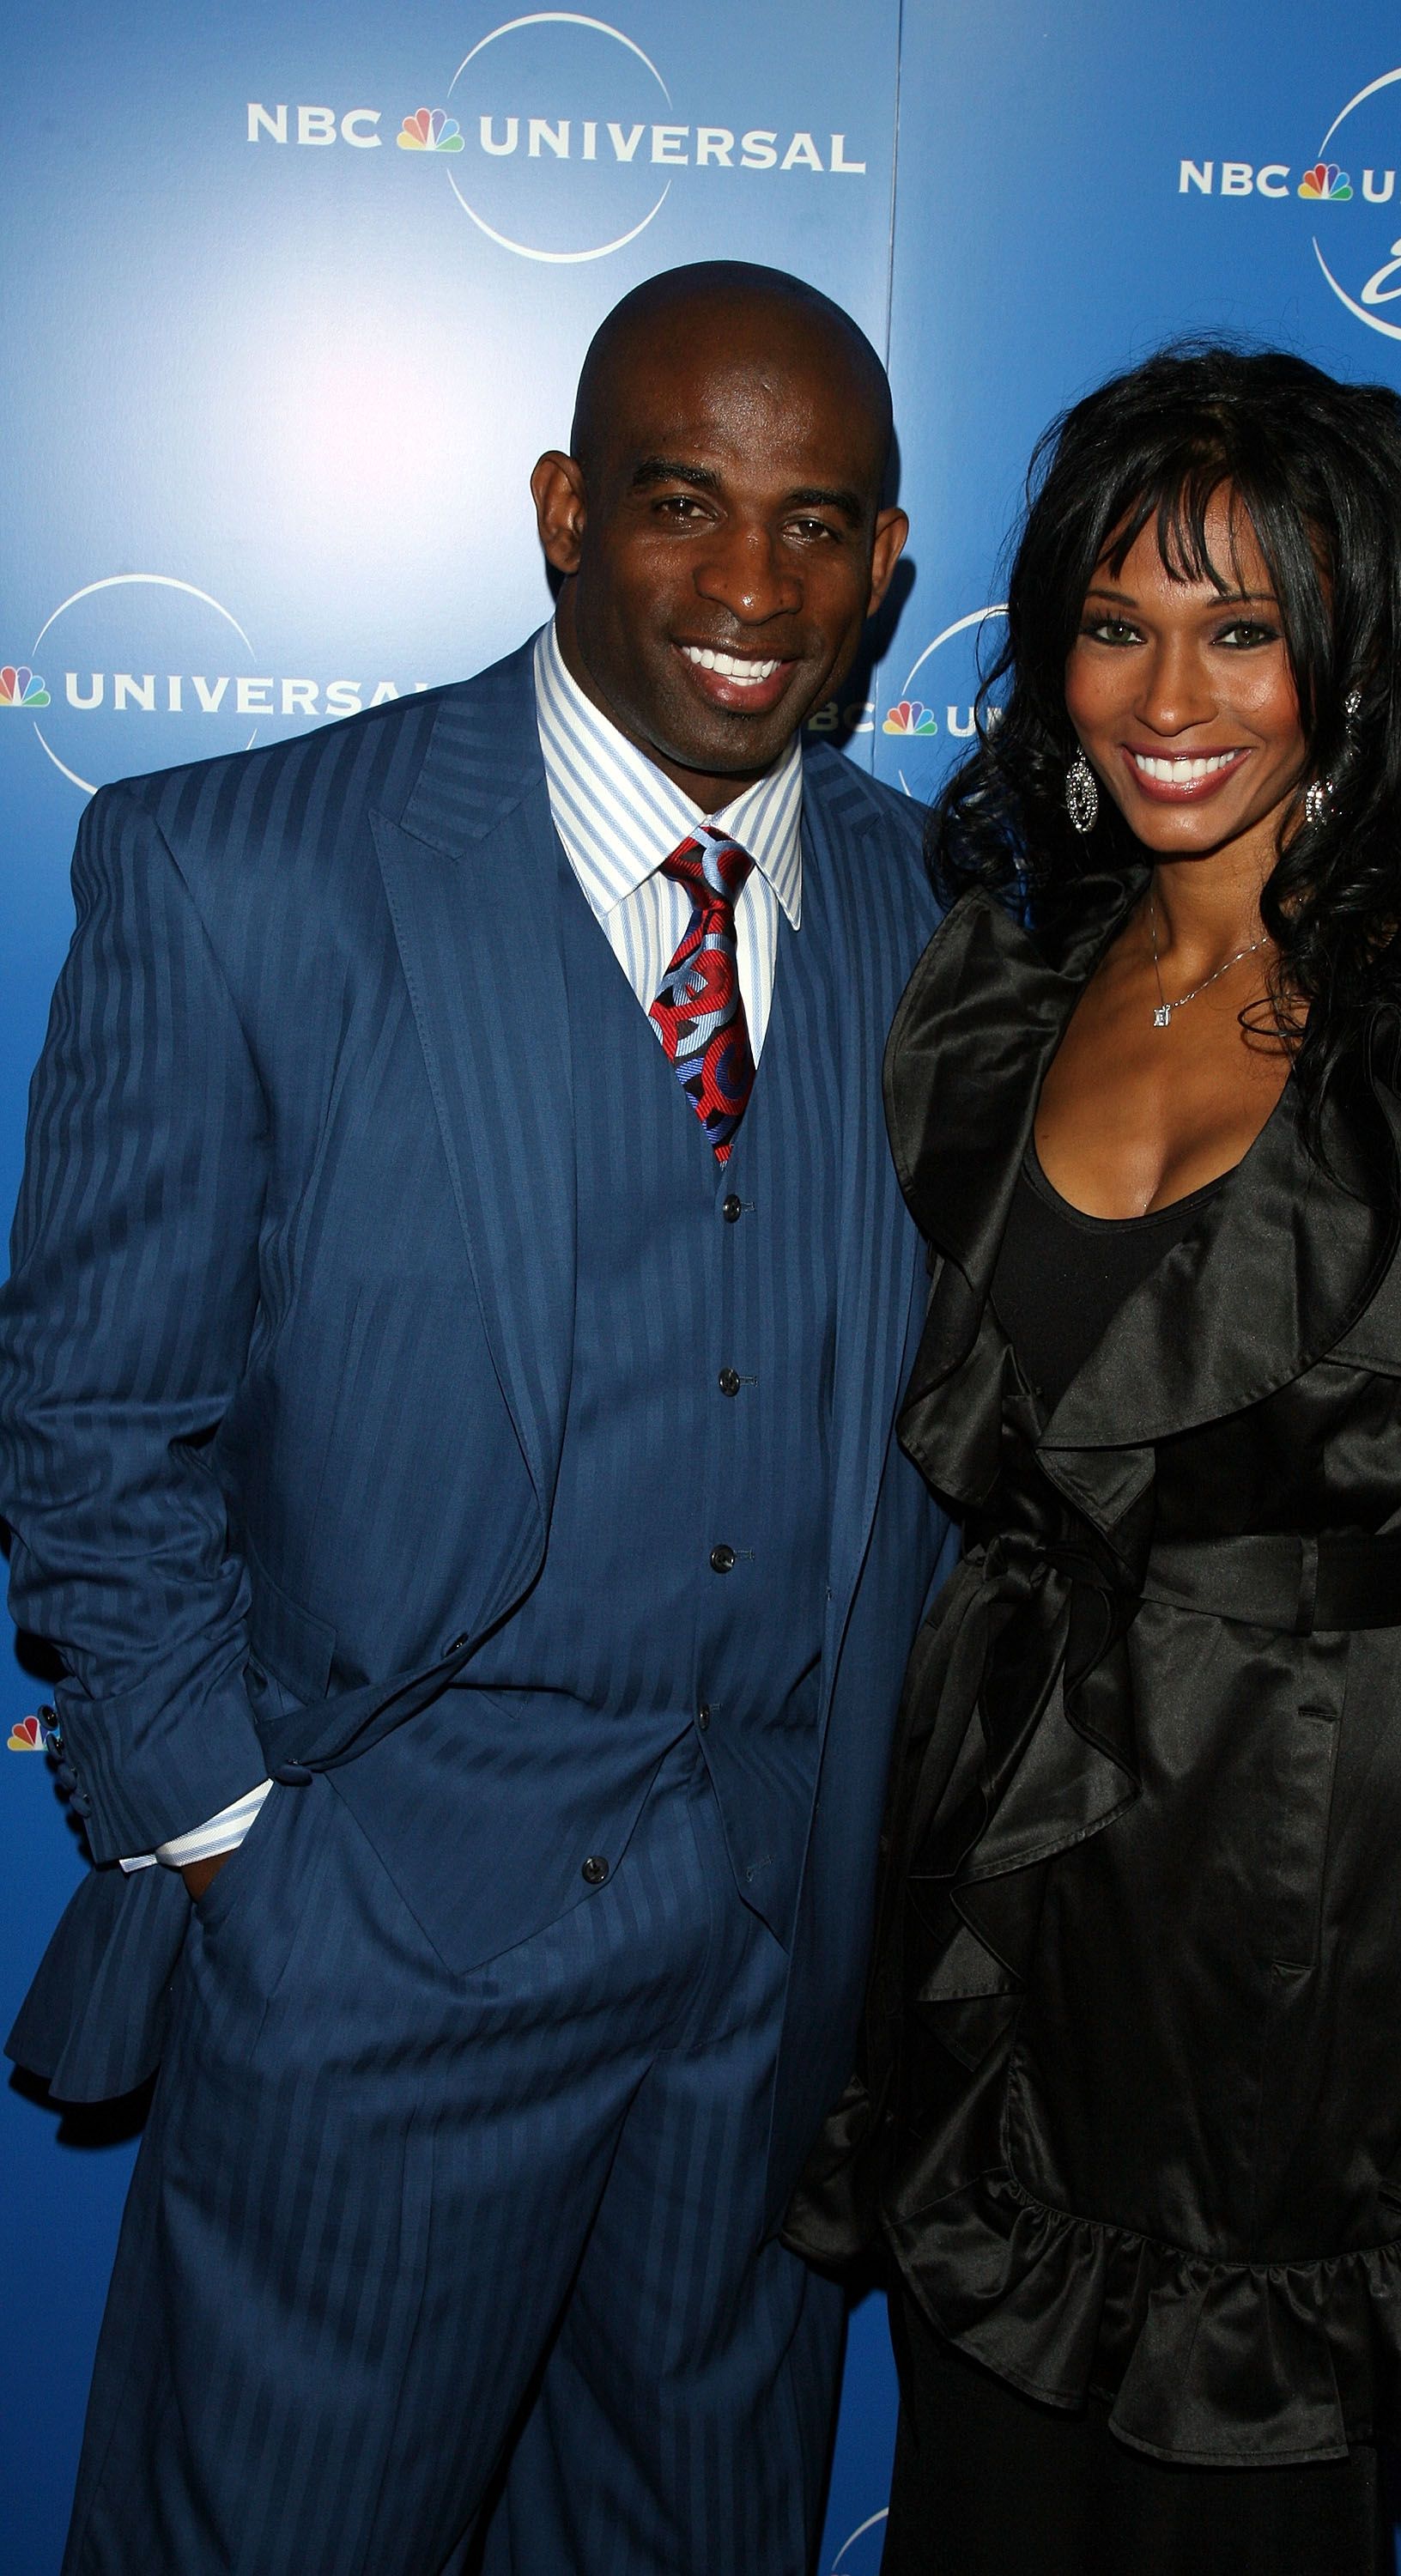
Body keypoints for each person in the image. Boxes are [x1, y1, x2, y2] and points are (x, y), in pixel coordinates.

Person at [0, 260, 952, 2575]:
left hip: (773, 1980)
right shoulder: (244, 872)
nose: (752, 587)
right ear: (559, 508)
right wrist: (241, 1852)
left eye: (818, 525)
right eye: (679, 506)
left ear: (891, 567)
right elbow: (93, 1414)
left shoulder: (957, 923)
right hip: (372, 1950)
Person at [786, 343, 1401, 2576]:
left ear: (1355, 656)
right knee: (980, 2510)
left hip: (1312, 1925)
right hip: (996, 1897)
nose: (1167, 691)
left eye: (1243, 626)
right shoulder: (999, 972)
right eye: (1117, 623)